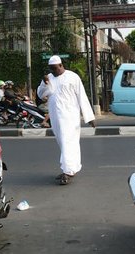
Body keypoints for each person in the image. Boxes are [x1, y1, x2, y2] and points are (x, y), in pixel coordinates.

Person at [46, 55, 95, 185]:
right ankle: (70, 169)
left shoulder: (73, 77)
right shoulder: (49, 78)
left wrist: (89, 117)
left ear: (61, 65)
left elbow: (82, 97)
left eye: (54, 68)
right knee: (63, 143)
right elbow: (41, 94)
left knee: (68, 143)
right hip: (56, 117)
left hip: (70, 117)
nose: (53, 71)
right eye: (51, 69)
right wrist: (45, 84)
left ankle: (67, 172)